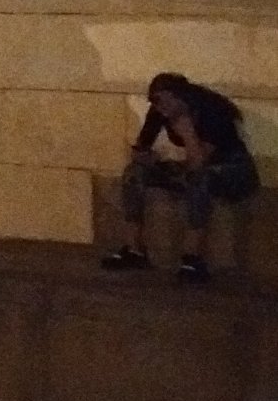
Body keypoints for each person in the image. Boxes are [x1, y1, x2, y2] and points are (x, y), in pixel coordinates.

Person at [106, 71, 259, 281]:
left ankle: (192, 258)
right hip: (195, 164)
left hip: (232, 168)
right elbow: (142, 146)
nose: (159, 108)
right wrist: (145, 157)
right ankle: (134, 249)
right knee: (134, 173)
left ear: (179, 97)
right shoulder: (160, 111)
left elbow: (199, 162)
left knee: (200, 179)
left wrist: (187, 132)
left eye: (162, 101)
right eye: (155, 102)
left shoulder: (212, 112)